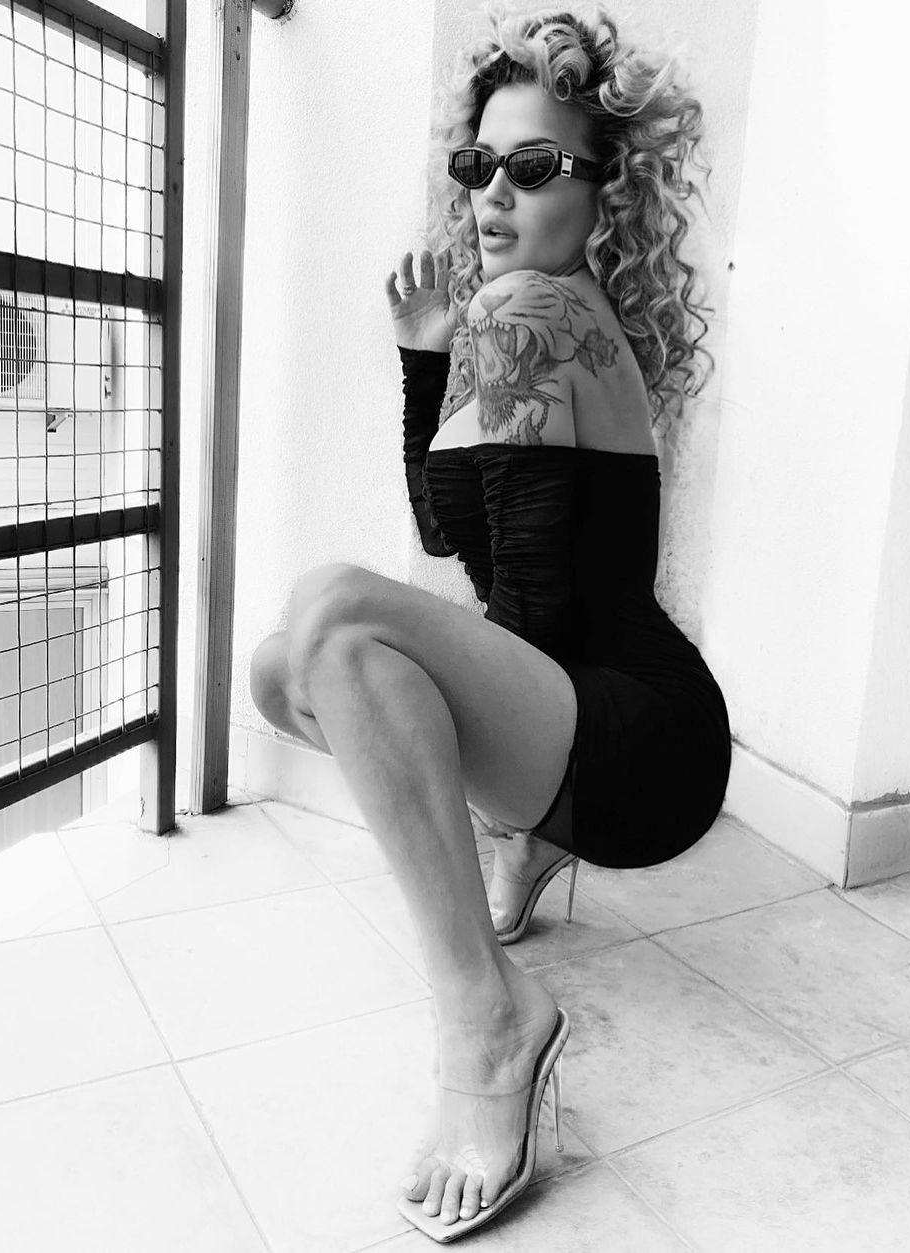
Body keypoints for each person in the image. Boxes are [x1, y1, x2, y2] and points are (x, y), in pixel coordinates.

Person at [249, 4, 731, 1242]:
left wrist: (472, 744)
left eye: (536, 165)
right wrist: (424, 359)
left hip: (644, 735)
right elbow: (454, 531)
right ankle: (529, 847)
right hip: (598, 708)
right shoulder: (520, 311)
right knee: (283, 665)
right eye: (478, 165)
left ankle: (490, 1015)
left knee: (333, 619)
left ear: (606, 191)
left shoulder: (529, 313)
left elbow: (527, 606)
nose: (493, 194)